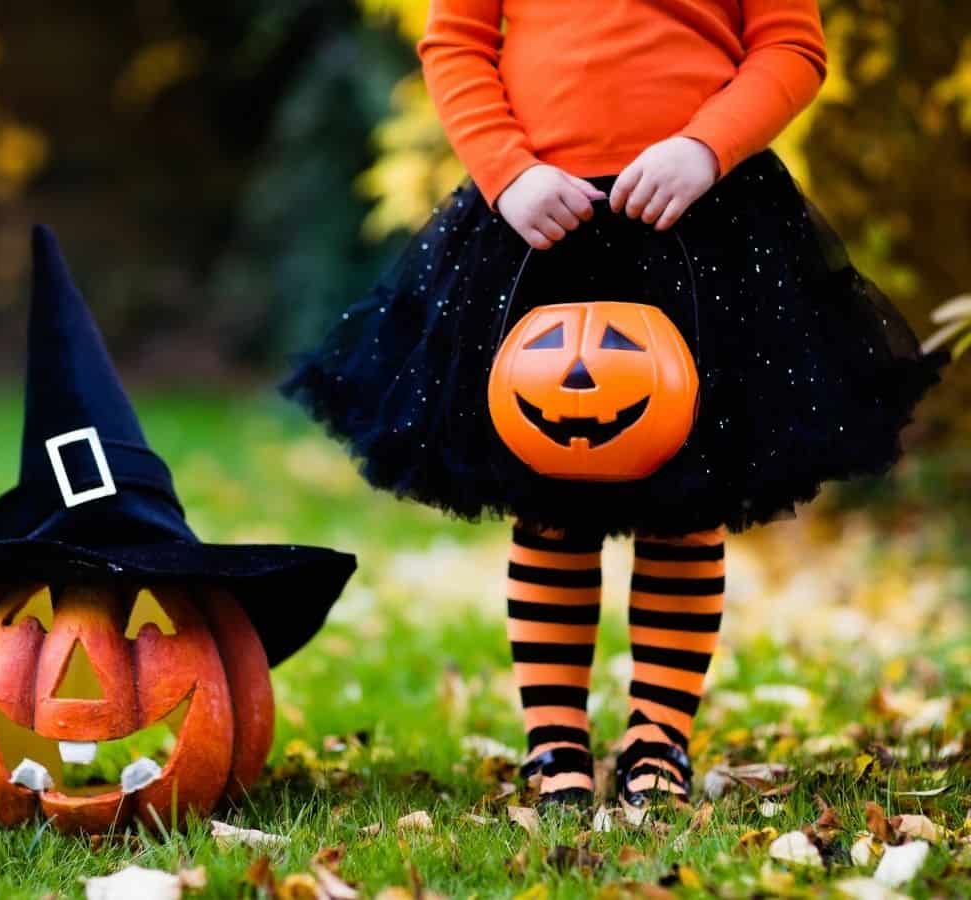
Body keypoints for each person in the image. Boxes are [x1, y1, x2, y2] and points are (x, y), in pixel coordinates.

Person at [282, 0, 943, 811]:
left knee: (686, 503)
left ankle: (657, 737)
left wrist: (704, 148)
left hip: (701, 226)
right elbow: (454, 43)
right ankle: (554, 741)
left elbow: (791, 47)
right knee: (551, 500)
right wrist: (508, 169)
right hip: (540, 223)